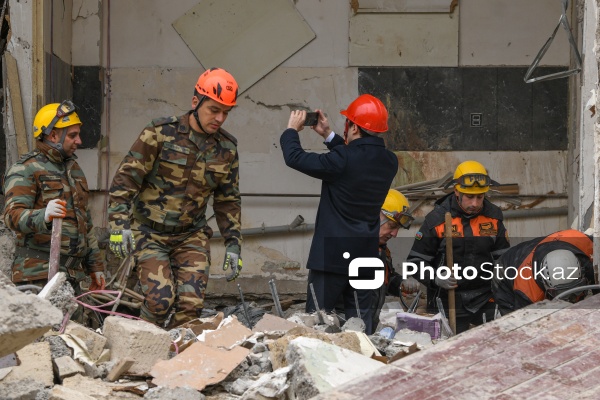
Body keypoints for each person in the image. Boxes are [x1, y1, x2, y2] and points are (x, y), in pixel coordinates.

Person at [108, 68, 242, 328]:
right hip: (149, 233)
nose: (220, 118)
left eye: (226, 112)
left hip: (190, 235)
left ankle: (175, 359)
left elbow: (228, 200)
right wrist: (117, 226)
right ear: (195, 103)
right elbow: (125, 181)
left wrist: (234, 243)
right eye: (214, 109)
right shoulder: (160, 133)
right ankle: (141, 346)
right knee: (160, 301)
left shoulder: (227, 148)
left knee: (191, 307)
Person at [280, 94, 398, 335]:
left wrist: (291, 130)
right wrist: (328, 135)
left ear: (353, 127)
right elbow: (354, 159)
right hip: (365, 257)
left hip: (331, 259)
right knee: (359, 329)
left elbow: (295, 157)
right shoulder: (389, 161)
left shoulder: (342, 159)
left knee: (318, 326)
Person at [3, 101, 106, 291]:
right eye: (73, 135)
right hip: (38, 277)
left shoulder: (74, 170)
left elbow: (86, 222)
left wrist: (95, 267)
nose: (79, 141)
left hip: (71, 276)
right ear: (53, 135)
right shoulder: (26, 169)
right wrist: (43, 216)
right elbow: (11, 216)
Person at [405, 160, 510, 334]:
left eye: (480, 197)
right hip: (448, 302)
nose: (475, 203)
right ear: (456, 192)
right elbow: (415, 262)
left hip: (485, 300)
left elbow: (504, 257)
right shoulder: (437, 220)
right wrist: (435, 278)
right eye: (469, 197)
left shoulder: (493, 217)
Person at [491, 229, 594, 315]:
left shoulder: (586, 243)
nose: (573, 299)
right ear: (544, 282)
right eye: (560, 293)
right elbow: (526, 324)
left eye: (577, 289)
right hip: (504, 273)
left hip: (539, 248)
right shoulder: (527, 292)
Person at [371, 189, 420, 330]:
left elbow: (385, 280)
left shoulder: (382, 251)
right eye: (392, 226)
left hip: (368, 326)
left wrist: (401, 283)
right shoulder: (350, 248)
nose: (395, 234)